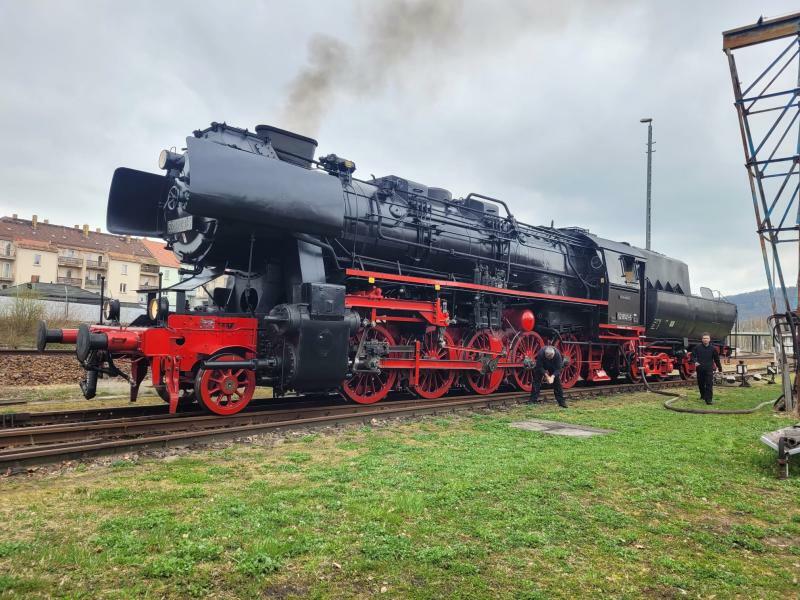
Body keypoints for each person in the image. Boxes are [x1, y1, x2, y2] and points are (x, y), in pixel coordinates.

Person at [692, 332, 723, 404]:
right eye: (704, 338)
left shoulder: (713, 349)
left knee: (709, 384)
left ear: (709, 339)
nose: (705, 340)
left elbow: (716, 359)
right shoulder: (697, 347)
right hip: (700, 369)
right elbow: (692, 356)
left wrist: (720, 368)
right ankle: (703, 395)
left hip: (709, 369)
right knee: (701, 383)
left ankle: (709, 400)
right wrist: (695, 361)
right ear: (702, 339)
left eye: (707, 338)